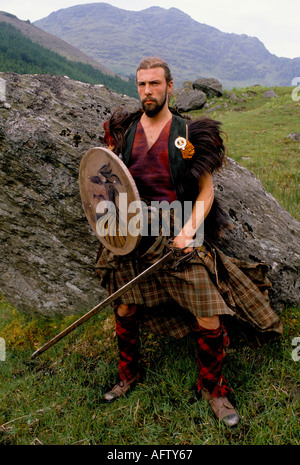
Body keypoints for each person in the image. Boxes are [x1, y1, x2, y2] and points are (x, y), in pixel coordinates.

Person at [95, 57, 282, 427]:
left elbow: (206, 192)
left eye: (154, 84)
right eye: (141, 84)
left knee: (207, 312)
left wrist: (188, 230)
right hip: (132, 233)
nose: (147, 91)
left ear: (169, 86)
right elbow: (106, 184)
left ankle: (214, 388)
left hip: (178, 233)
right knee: (125, 309)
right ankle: (128, 374)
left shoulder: (188, 135)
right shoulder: (125, 131)